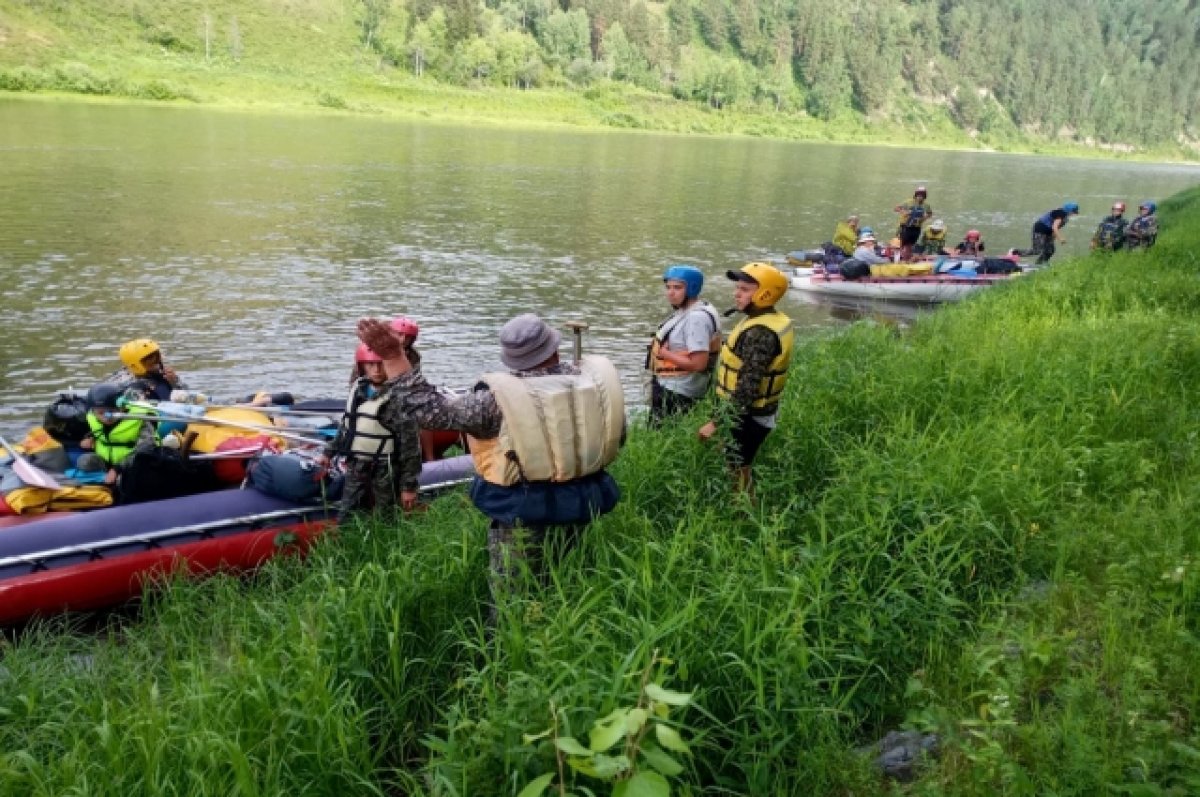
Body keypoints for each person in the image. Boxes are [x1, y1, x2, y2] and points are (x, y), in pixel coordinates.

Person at [356, 313, 623, 622]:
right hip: (583, 505)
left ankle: (507, 660)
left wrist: (393, 356)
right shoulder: (590, 383)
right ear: (555, 347)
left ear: (510, 359)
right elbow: (618, 436)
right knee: (572, 586)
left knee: (512, 600)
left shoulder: (492, 403)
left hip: (522, 514)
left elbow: (426, 410)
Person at [698, 263, 793, 496]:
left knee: (738, 469)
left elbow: (748, 387)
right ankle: (738, 508)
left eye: (745, 289)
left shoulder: (760, 334)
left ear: (766, 293)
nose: (736, 293)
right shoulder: (765, 319)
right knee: (733, 462)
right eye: (737, 288)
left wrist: (716, 422)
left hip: (748, 415)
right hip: (749, 411)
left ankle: (743, 517)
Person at [324, 342, 421, 521]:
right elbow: (347, 426)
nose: (376, 369)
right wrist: (328, 452)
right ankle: (346, 543)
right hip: (357, 464)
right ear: (362, 366)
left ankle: (387, 543)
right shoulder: (358, 390)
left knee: (386, 515)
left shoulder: (398, 397)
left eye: (381, 364)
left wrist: (409, 486)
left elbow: (410, 447)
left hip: (386, 467)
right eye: (371, 364)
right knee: (347, 512)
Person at [647, 265, 722, 424]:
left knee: (662, 436)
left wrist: (665, 354)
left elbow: (698, 364)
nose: (670, 292)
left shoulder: (697, 318)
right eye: (668, 287)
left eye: (677, 287)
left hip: (678, 392)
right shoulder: (692, 308)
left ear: (692, 289)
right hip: (673, 386)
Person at [77, 382, 158, 486]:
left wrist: (117, 469)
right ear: (93, 411)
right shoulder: (92, 417)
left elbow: (145, 449)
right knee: (84, 461)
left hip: (134, 463)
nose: (106, 417)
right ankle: (104, 483)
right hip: (107, 462)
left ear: (122, 407)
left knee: (131, 478)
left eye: (111, 411)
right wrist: (89, 438)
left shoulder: (140, 420)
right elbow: (99, 432)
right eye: (101, 413)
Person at [104, 338, 188, 402]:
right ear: (135, 365)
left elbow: (186, 396)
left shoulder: (165, 375)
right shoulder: (122, 382)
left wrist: (173, 381)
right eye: (149, 361)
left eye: (157, 358)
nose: (156, 363)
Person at [893, 185, 932, 262]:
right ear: (916, 195)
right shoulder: (908, 202)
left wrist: (925, 217)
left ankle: (907, 259)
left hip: (916, 227)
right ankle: (897, 259)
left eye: (922, 196)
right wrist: (904, 212)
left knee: (910, 245)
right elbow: (896, 208)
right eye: (918, 195)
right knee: (900, 244)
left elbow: (930, 213)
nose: (920, 197)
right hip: (905, 226)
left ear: (924, 196)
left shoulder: (926, 205)